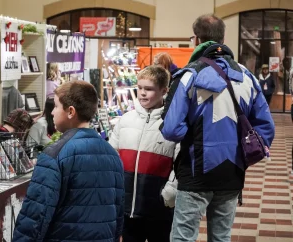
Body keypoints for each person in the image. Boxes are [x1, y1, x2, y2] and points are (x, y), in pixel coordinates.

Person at [160, 14, 275, 242]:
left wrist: (190, 132)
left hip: (195, 172)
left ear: (196, 39)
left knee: (183, 237)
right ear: (222, 38)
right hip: (232, 174)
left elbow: (171, 129)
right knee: (221, 237)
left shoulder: (189, 75)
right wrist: (241, 156)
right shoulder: (247, 77)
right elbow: (266, 129)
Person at [13, 81, 124, 242]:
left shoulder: (55, 154)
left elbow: (36, 214)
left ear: (70, 111)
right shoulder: (112, 154)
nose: (51, 112)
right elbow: (118, 211)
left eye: (56, 106)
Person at [109, 65, 179, 242]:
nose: (142, 93)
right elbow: (111, 157)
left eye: (148, 89)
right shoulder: (125, 121)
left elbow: (180, 163)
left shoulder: (172, 124)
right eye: (139, 88)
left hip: (159, 209)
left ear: (164, 90)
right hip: (127, 209)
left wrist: (169, 194)